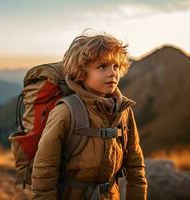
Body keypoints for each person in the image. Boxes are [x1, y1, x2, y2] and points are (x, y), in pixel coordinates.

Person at [31, 33, 148, 200]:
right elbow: (45, 168)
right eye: (102, 67)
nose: (112, 73)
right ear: (81, 71)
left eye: (116, 66)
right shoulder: (67, 111)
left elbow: (135, 165)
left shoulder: (124, 110)